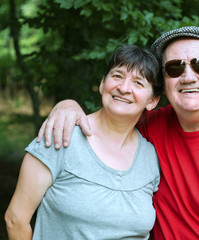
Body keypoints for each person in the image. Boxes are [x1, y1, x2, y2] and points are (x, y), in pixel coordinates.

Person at [34, 26, 199, 239]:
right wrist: (67, 105)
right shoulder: (150, 125)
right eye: (175, 68)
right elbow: (110, 113)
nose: (188, 76)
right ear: (163, 86)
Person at [5, 45, 162, 239]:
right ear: (102, 84)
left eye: (138, 83)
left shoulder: (151, 157)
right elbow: (15, 219)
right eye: (117, 76)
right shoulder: (62, 135)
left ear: (152, 101)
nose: (124, 88)